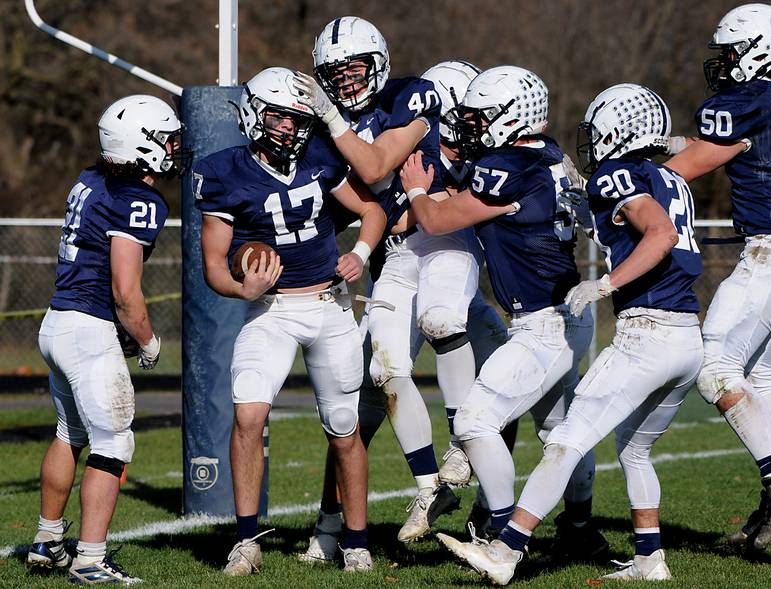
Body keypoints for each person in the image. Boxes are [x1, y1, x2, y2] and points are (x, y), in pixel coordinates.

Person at [429, 83, 703, 584]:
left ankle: (506, 548)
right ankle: (649, 559)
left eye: (600, 134)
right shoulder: (665, 176)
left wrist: (606, 283)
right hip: (689, 333)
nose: (592, 145)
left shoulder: (618, 173)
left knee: (566, 441)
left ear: (620, 134)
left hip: (645, 332)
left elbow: (659, 234)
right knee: (633, 449)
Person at [398, 65, 609, 572]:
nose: (469, 124)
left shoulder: (508, 164)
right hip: (564, 316)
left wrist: (416, 190)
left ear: (513, 117)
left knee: (473, 421)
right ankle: (580, 531)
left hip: (545, 323)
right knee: (562, 430)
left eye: (480, 116)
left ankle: (503, 535)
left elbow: (436, 220)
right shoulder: (549, 153)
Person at [193, 67, 385, 574]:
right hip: (271, 310)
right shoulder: (221, 171)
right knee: (247, 418)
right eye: (280, 116)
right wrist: (242, 289)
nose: (290, 128)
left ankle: (357, 541)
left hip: (329, 306)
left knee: (344, 428)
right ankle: (246, 541)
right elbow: (214, 264)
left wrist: (361, 253)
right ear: (255, 113)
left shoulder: (319, 155)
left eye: (298, 119)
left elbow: (374, 212)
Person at [293, 16, 471, 546]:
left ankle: (486, 498)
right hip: (392, 265)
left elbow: (375, 168)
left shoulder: (410, 98)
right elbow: (344, 207)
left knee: (470, 357)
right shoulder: (324, 138)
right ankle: (333, 527)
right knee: (357, 407)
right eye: (335, 75)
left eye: (355, 70)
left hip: (446, 255)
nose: (346, 83)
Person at [27, 95, 189, 584]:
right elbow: (125, 292)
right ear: (140, 144)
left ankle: (47, 540)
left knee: (68, 434)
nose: (174, 147)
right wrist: (149, 341)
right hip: (90, 329)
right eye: (166, 138)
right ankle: (91, 558)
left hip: (57, 321)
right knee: (114, 441)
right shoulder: (139, 199)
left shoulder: (90, 179)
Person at [666, 3, 771, 551]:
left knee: (715, 367)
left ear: (760, 51)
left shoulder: (744, 103)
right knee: (764, 376)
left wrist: (622, 170)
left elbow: (687, 166)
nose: (722, 66)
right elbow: (711, 147)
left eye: (732, 54)